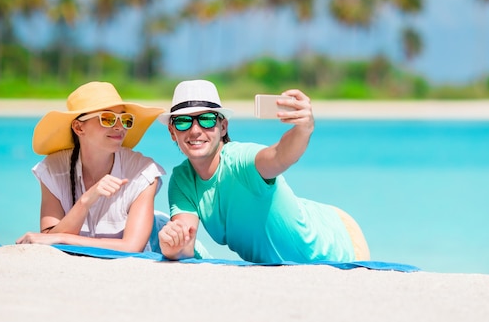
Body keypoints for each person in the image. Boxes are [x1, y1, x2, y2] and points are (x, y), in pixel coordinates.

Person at [157, 79, 371, 263]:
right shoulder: (182, 179)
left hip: (339, 240)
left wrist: (304, 129)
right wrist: (171, 245)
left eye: (206, 119)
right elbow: (185, 243)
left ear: (223, 127)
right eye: (184, 122)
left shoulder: (241, 160)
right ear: (172, 132)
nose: (195, 130)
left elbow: (280, 155)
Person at [16, 81, 167, 253]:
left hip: (162, 239)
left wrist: (64, 238)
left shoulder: (143, 172)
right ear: (79, 127)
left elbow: (132, 246)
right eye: (108, 119)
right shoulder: (53, 169)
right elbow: (47, 238)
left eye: (125, 119)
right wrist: (86, 200)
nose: (119, 127)